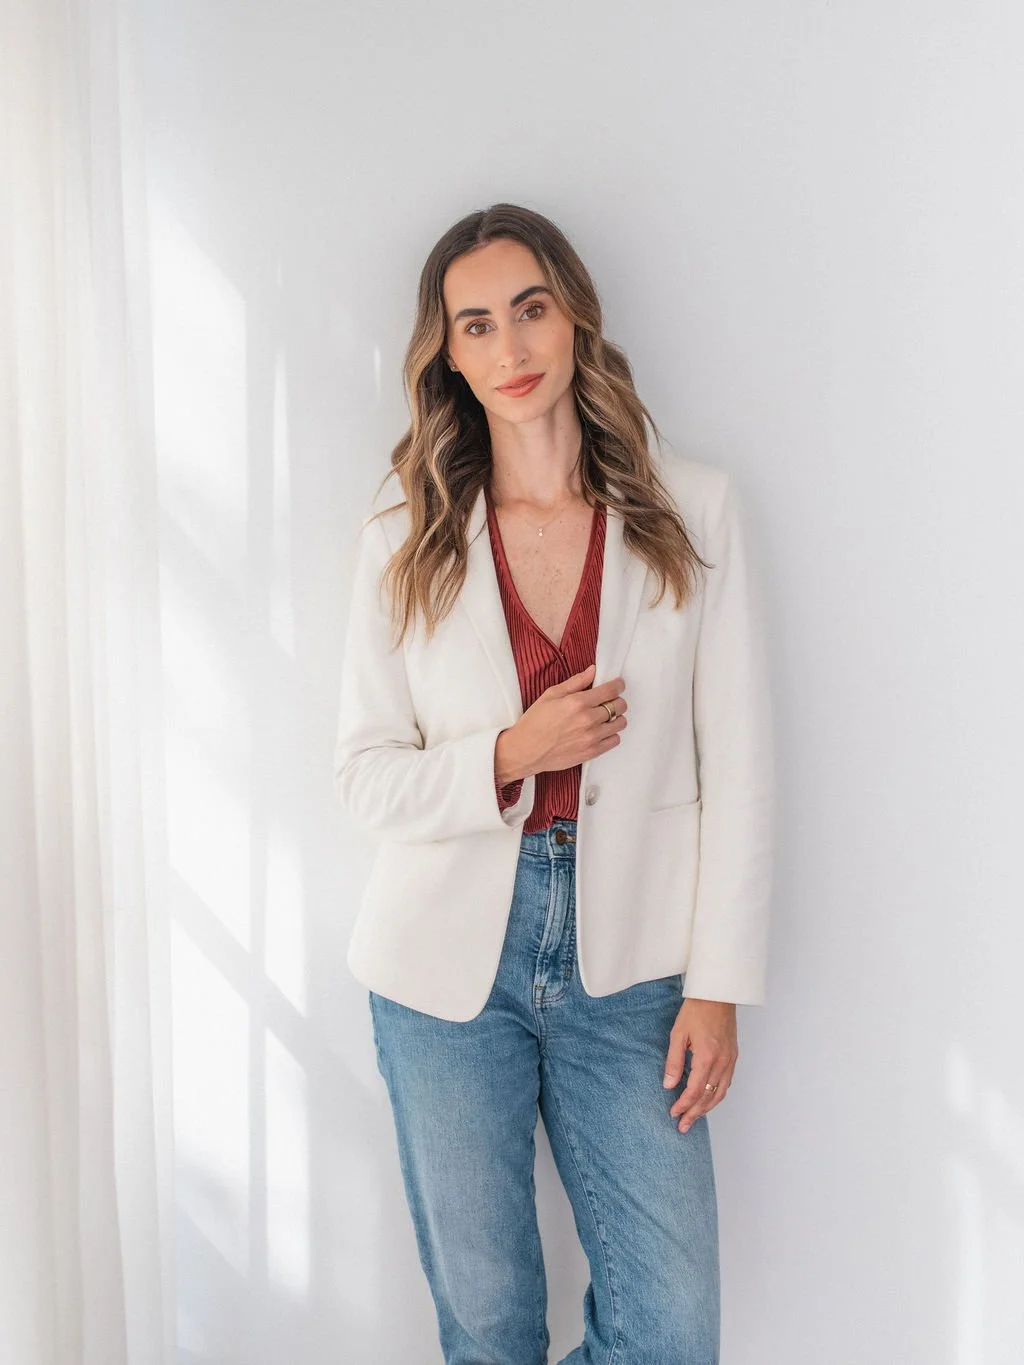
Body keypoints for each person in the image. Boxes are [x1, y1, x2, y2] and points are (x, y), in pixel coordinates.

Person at [334, 202, 774, 1365]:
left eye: (529, 310)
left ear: (572, 313)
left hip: (631, 959)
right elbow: (364, 779)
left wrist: (718, 983)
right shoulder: (403, 537)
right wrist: (509, 755)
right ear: (450, 357)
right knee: (487, 1329)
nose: (511, 348)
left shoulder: (692, 510)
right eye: (476, 326)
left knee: (671, 1332)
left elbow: (740, 768)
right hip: (438, 976)